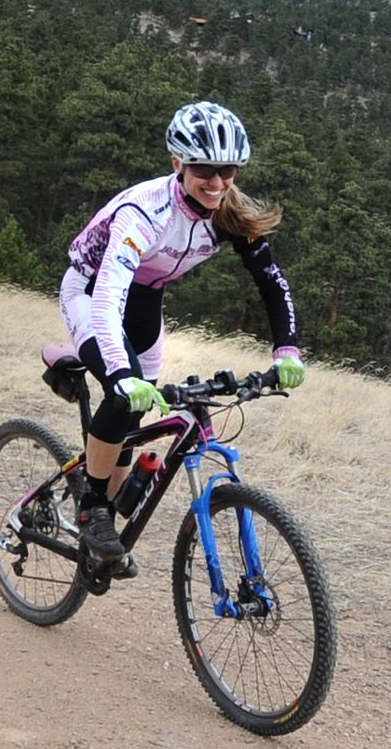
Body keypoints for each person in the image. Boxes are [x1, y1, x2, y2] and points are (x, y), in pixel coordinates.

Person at [59, 101, 304, 576]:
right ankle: (91, 506)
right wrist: (121, 373)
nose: (217, 182)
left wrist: (287, 348)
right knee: (124, 394)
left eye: (227, 170)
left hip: (146, 302)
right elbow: (109, 295)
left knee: (136, 417)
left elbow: (272, 282)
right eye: (204, 171)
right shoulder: (143, 213)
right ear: (178, 164)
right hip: (91, 293)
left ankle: (102, 531)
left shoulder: (229, 210)